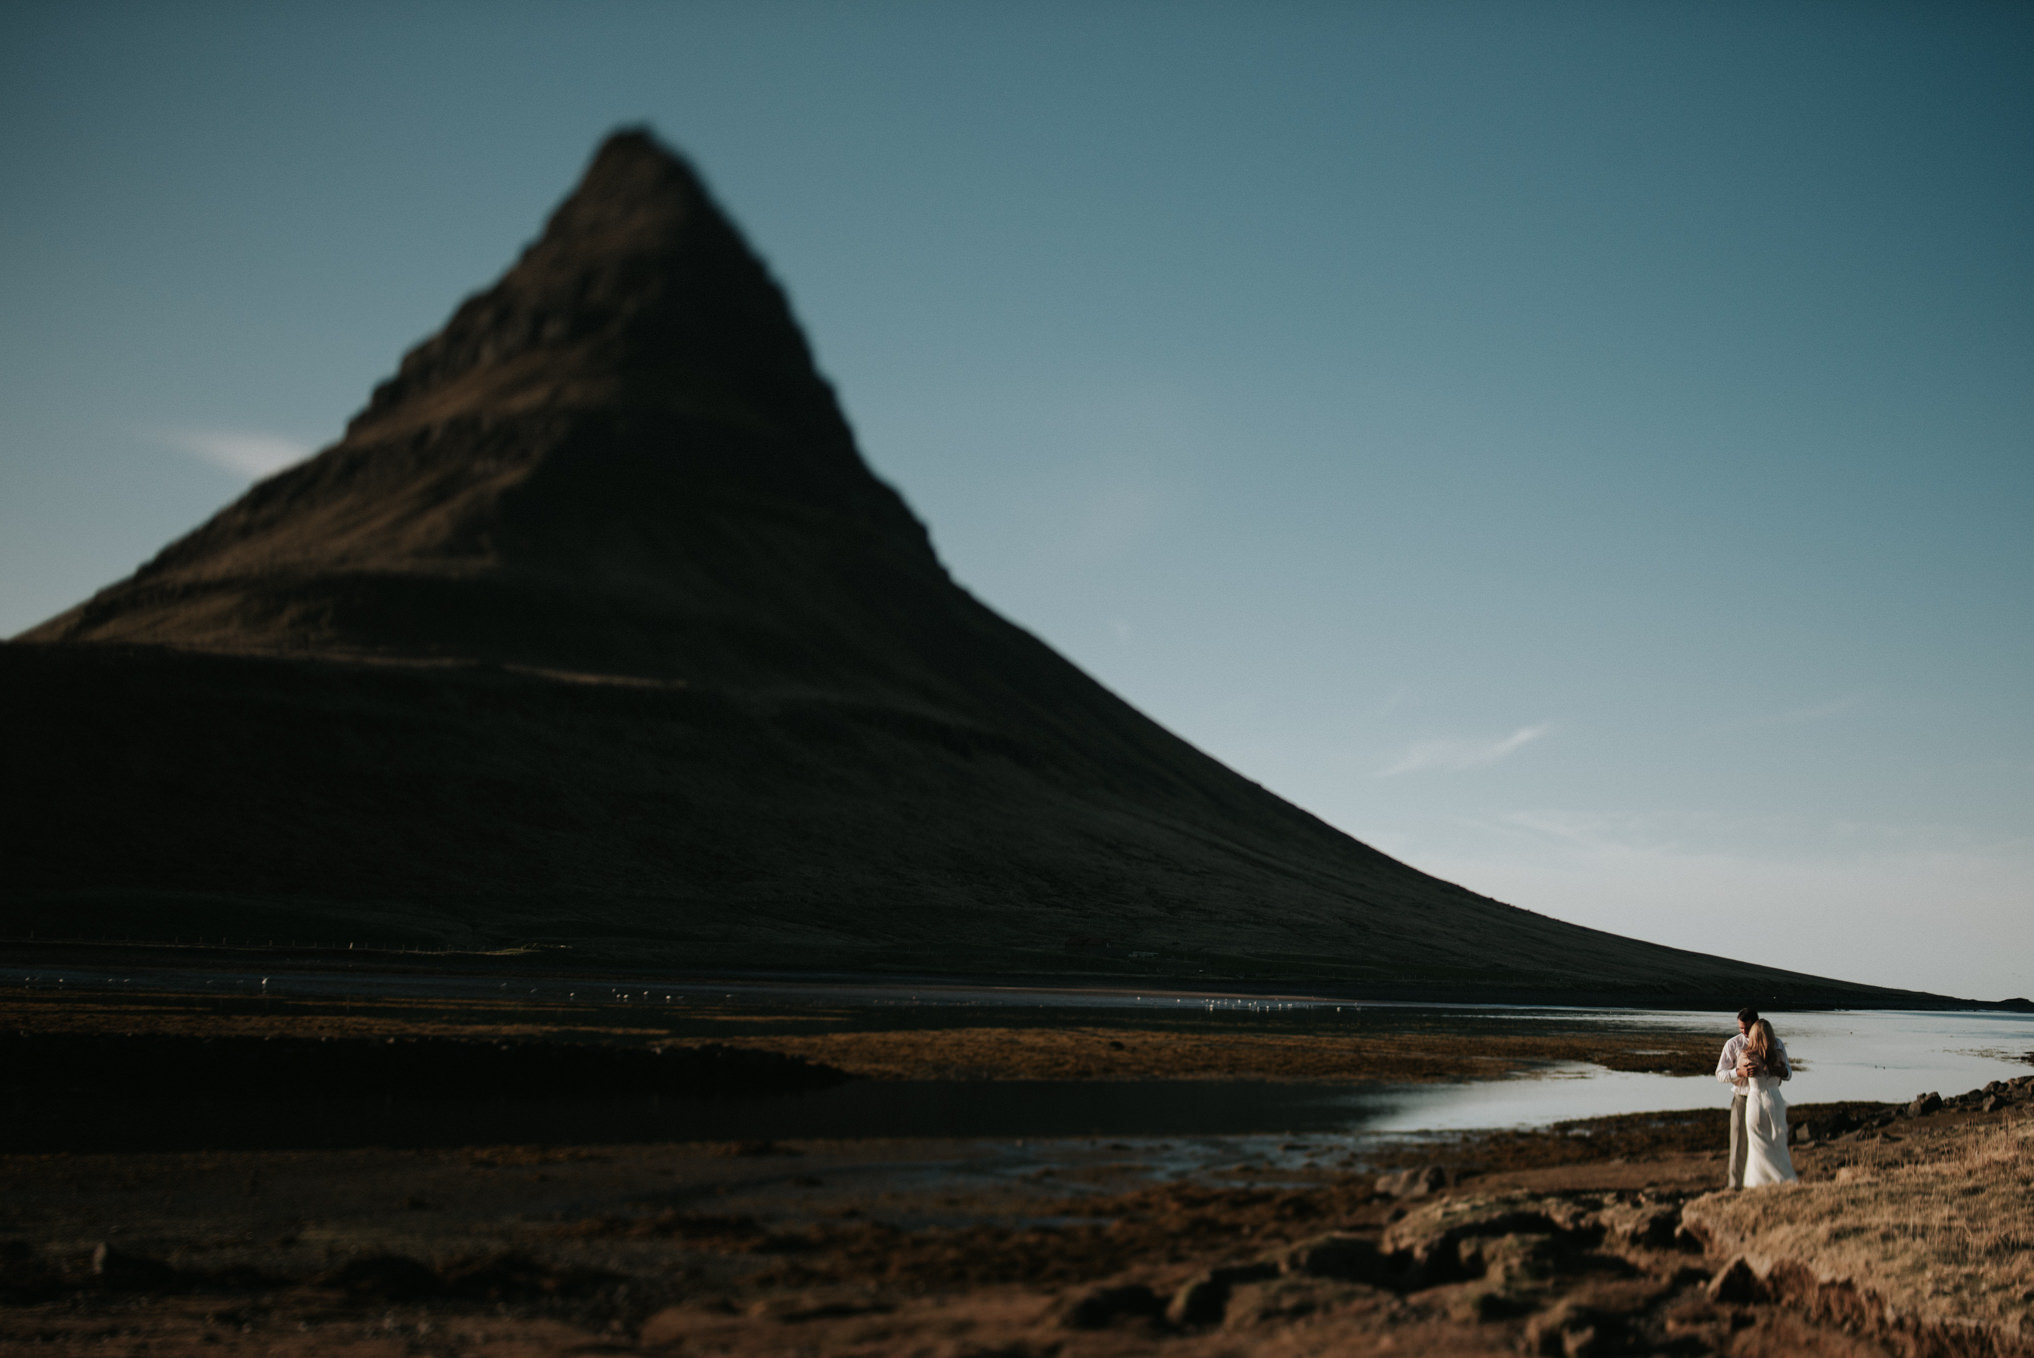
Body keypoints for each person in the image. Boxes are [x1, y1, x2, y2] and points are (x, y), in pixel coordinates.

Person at [1715, 1006, 1794, 1189]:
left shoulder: (1777, 1045)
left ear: (1756, 1024)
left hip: (1767, 1100)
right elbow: (1720, 1074)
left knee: (1769, 1143)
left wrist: (1783, 1072)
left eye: (1747, 1028)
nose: (1744, 1032)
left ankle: (1766, 1183)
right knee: (1739, 1147)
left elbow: (1788, 1072)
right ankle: (1735, 1187)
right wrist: (1738, 1072)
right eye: (1740, 1028)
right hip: (1743, 1099)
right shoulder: (1734, 1045)